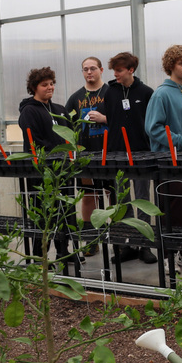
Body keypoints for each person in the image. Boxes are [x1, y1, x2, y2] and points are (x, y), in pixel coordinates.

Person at [145, 44, 182, 271]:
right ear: (171, 66)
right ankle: (168, 254)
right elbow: (153, 128)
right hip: (170, 162)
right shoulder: (161, 94)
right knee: (173, 209)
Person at [101, 51, 157, 264]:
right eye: (114, 70)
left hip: (141, 152)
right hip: (117, 153)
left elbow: (150, 122)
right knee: (122, 199)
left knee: (142, 198)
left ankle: (144, 244)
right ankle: (127, 243)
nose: (115, 74)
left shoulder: (145, 92)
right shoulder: (111, 93)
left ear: (131, 70)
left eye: (119, 70)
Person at [17, 66, 72, 263]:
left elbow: (69, 135)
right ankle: (41, 257)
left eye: (52, 84)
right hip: (42, 172)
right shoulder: (29, 111)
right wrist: (55, 152)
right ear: (34, 87)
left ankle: (63, 252)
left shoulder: (60, 110)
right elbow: (35, 141)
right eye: (44, 84)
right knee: (43, 214)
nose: (50, 87)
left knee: (64, 212)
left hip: (63, 170)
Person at [66, 57, 109, 234]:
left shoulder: (110, 93)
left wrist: (104, 119)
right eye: (85, 69)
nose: (89, 72)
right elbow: (67, 126)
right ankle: (90, 237)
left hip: (110, 155)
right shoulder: (75, 98)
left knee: (112, 194)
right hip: (85, 158)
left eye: (92, 68)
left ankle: (120, 239)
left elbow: (123, 121)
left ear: (101, 70)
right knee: (89, 196)